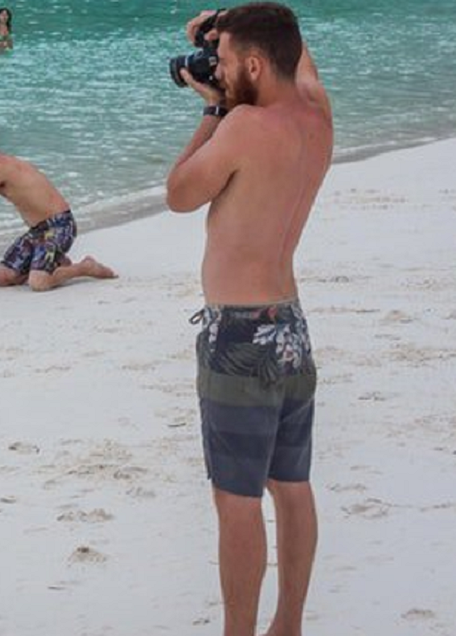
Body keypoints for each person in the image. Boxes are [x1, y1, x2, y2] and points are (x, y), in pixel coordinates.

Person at [164, 4, 332, 636]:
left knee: (236, 499)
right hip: (289, 326)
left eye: (230, 62)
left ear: (256, 64)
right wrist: (228, 25)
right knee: (292, 484)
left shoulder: (242, 129)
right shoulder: (317, 114)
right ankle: (287, 624)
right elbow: (295, 54)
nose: (220, 70)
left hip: (238, 335)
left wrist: (211, 110)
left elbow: (179, 193)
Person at [0, 121, 116, 291]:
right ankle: (54, 263)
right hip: (38, 231)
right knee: (3, 277)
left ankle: (84, 267)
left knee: (38, 283)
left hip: (59, 226)